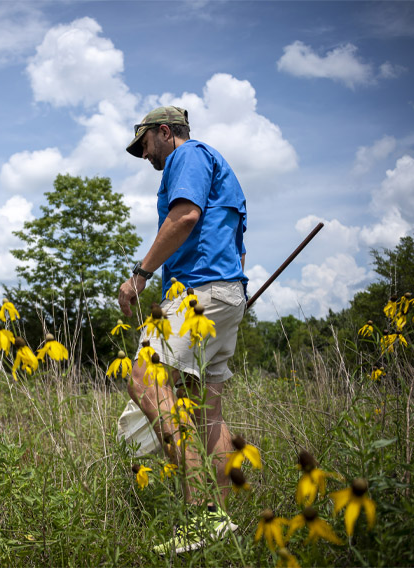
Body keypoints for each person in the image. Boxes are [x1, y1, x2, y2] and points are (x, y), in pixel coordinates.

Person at [117, 105, 248, 555]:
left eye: (145, 144)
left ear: (165, 132)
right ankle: (222, 521)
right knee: (206, 409)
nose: (144, 155)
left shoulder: (187, 156)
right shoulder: (221, 168)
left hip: (199, 295)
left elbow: (186, 216)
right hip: (225, 294)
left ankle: (202, 516)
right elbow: (235, 247)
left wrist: (141, 274)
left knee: (144, 379)